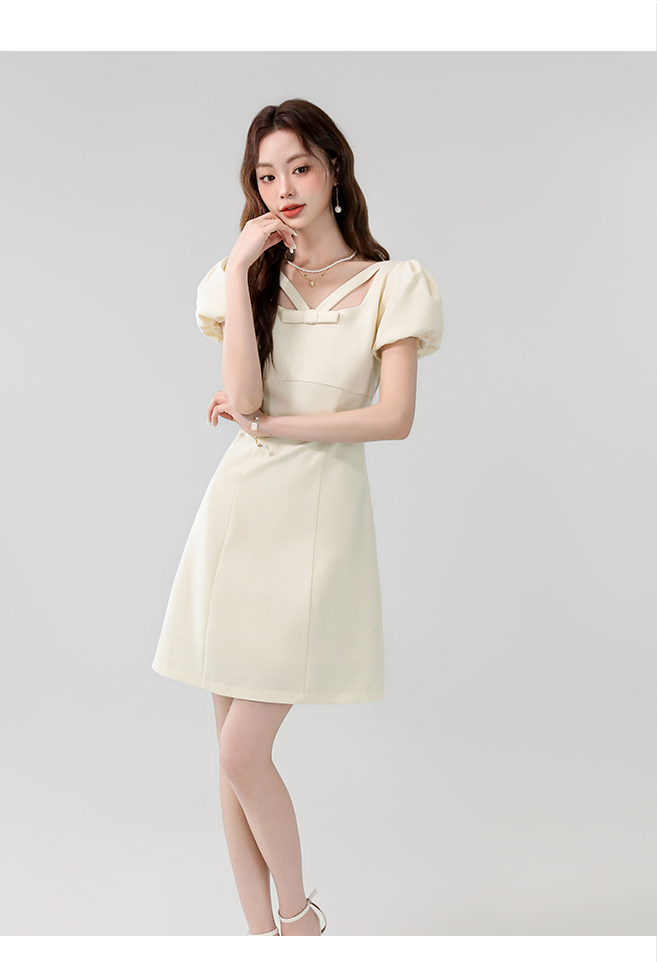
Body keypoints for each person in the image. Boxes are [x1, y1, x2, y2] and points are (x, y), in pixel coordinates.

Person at [151, 98, 444, 936]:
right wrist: (244, 261)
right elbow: (244, 399)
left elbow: (394, 417)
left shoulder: (392, 283)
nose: (284, 188)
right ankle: (263, 940)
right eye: (266, 175)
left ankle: (300, 918)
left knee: (242, 749)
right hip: (240, 514)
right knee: (229, 757)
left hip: (318, 521)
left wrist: (281, 427)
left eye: (300, 168)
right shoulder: (246, 276)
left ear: (334, 169)